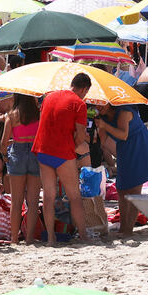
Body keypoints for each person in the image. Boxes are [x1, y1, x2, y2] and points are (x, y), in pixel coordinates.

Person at [32, 73, 92, 246]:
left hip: (43, 149)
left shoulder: (49, 96)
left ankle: (51, 238)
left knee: (49, 197)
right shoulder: (79, 103)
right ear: (84, 89)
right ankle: (83, 236)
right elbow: (80, 135)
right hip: (62, 152)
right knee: (74, 196)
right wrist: (73, 148)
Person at [96, 101, 148, 237]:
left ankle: (128, 229)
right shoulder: (103, 117)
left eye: (102, 104)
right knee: (121, 188)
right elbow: (102, 142)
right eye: (97, 104)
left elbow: (123, 134)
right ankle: (123, 227)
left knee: (134, 190)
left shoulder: (124, 111)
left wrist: (104, 125)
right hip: (125, 150)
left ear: (110, 103)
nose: (99, 107)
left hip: (140, 147)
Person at [0, 94, 42, 244]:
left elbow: (3, 143)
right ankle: (29, 237)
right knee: (33, 201)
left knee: (16, 201)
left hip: (17, 152)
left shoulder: (11, 115)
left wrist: (5, 157)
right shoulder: (38, 113)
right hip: (35, 153)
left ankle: (14, 238)